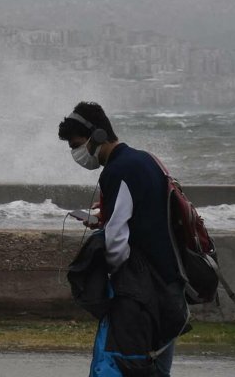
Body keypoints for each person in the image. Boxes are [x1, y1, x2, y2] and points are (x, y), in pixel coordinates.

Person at [60, 101, 188, 377]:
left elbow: (117, 241)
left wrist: (115, 276)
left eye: (77, 144)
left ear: (99, 136)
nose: (76, 153)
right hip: (170, 285)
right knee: (157, 368)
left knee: (128, 366)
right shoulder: (145, 159)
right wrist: (105, 217)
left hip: (142, 293)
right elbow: (146, 215)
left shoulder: (117, 172)